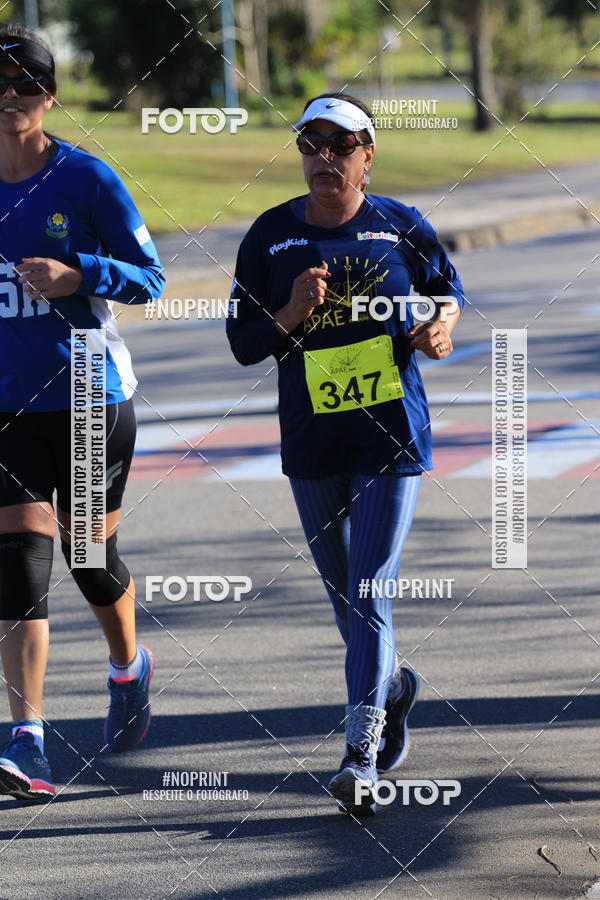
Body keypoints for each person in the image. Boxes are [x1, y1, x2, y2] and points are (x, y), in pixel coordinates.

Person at [226, 92, 464, 815]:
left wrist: (440, 328)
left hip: (391, 436)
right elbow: (242, 344)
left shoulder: (401, 226)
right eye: (310, 144)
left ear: (368, 154)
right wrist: (290, 312)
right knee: (347, 601)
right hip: (314, 440)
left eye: (340, 144)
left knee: (367, 595)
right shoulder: (269, 237)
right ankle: (391, 687)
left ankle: (360, 752)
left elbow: (446, 294)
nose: (323, 158)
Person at [0, 25, 165, 803]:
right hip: (6, 406)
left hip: (90, 397)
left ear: (49, 96)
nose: (10, 98)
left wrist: (79, 275)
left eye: (26, 85)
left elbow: (151, 278)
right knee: (17, 567)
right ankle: (28, 740)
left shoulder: (86, 179)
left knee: (90, 561)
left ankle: (129, 666)